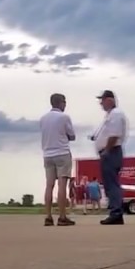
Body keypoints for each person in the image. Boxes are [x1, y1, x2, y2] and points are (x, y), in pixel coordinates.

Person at [38, 92, 76, 226]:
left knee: (49, 185)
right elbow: (72, 135)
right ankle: (62, 216)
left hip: (47, 154)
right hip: (62, 152)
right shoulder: (64, 117)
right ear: (61, 103)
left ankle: (48, 216)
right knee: (62, 185)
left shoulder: (43, 119)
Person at [90, 89, 128, 225]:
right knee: (109, 184)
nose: (101, 103)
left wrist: (106, 150)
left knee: (112, 184)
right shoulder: (110, 115)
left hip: (111, 152)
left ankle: (116, 212)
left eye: (102, 100)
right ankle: (115, 211)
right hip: (110, 151)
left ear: (110, 100)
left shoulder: (116, 114)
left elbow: (114, 134)